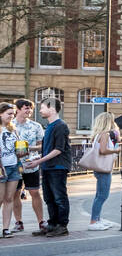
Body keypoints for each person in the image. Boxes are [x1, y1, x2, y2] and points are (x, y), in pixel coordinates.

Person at [29, 97, 71, 237]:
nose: (40, 110)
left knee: (59, 197)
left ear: (52, 109)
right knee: (49, 198)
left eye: (42, 107)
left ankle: (62, 226)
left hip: (58, 166)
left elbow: (58, 149)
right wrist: (31, 149)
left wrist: (39, 161)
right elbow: (47, 147)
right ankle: (52, 224)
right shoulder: (49, 126)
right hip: (48, 166)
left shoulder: (60, 126)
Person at [12, 98, 45, 234]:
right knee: (15, 193)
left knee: (35, 192)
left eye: (30, 108)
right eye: (26, 108)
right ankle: (18, 222)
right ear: (18, 109)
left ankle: (41, 222)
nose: (29, 111)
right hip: (14, 165)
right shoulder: (9, 125)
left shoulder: (36, 126)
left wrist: (29, 148)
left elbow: (41, 145)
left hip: (31, 164)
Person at [84, 111, 121, 231]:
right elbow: (103, 151)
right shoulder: (104, 134)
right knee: (103, 196)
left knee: (99, 195)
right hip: (103, 168)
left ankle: (97, 219)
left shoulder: (97, 135)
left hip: (99, 167)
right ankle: (94, 221)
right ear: (108, 121)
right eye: (112, 120)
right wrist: (116, 151)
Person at [0, 104, 20, 239]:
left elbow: (18, 147)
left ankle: (6, 229)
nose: (11, 116)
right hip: (1, 167)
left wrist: (23, 151)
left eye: (13, 114)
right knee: (0, 199)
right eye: (9, 113)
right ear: (0, 114)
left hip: (13, 166)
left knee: (9, 198)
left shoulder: (13, 129)